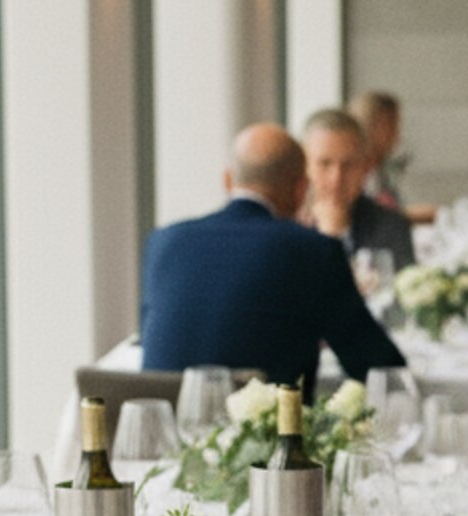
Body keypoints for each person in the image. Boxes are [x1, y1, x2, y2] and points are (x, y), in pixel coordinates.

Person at [138, 123, 406, 393]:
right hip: (272, 432)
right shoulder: (314, 251)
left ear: (228, 181)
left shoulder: (163, 242)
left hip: (173, 427)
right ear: (301, 190)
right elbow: (381, 370)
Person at [301, 108, 416, 271]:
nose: (337, 178)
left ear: (366, 167)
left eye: (348, 165)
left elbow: (400, 290)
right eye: (325, 164)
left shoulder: (391, 226)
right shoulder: (282, 225)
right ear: (305, 165)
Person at [349, 89, 408, 208]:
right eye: (392, 126)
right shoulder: (354, 174)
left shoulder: (382, 170)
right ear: (371, 127)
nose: (398, 135)